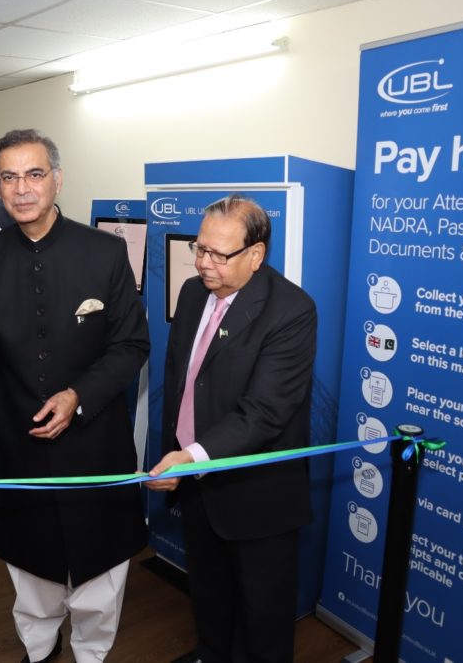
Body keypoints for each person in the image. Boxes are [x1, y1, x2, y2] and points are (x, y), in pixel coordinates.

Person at [0, 129, 149, 663]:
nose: (22, 189)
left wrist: (78, 395)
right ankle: (38, 649)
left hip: (95, 440)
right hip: (17, 444)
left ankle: (92, 652)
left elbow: (131, 344)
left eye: (34, 175)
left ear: (57, 179)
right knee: (30, 574)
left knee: (101, 576)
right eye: (8, 177)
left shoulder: (104, 251)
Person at [145, 195, 317, 663]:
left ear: (256, 255)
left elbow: (264, 412)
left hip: (257, 495)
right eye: (199, 249)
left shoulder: (291, 311)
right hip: (198, 482)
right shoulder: (192, 292)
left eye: (219, 254)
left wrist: (192, 455)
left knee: (264, 615)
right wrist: (176, 453)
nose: (204, 263)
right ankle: (211, 653)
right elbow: (182, 381)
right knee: (210, 590)